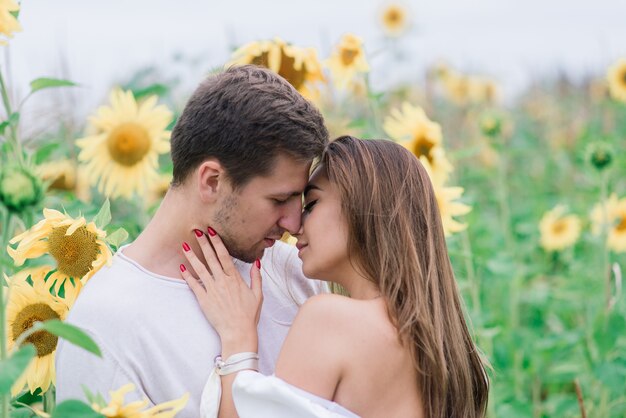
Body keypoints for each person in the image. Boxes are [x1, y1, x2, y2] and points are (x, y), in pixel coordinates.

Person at [55, 65, 329, 418]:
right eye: (278, 200)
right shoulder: (104, 328)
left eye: (300, 199)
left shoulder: (291, 271)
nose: (294, 223)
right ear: (212, 181)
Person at [180, 136, 490, 418]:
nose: (295, 225)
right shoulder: (448, 353)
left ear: (363, 205)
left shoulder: (330, 318)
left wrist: (238, 340)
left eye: (312, 204)